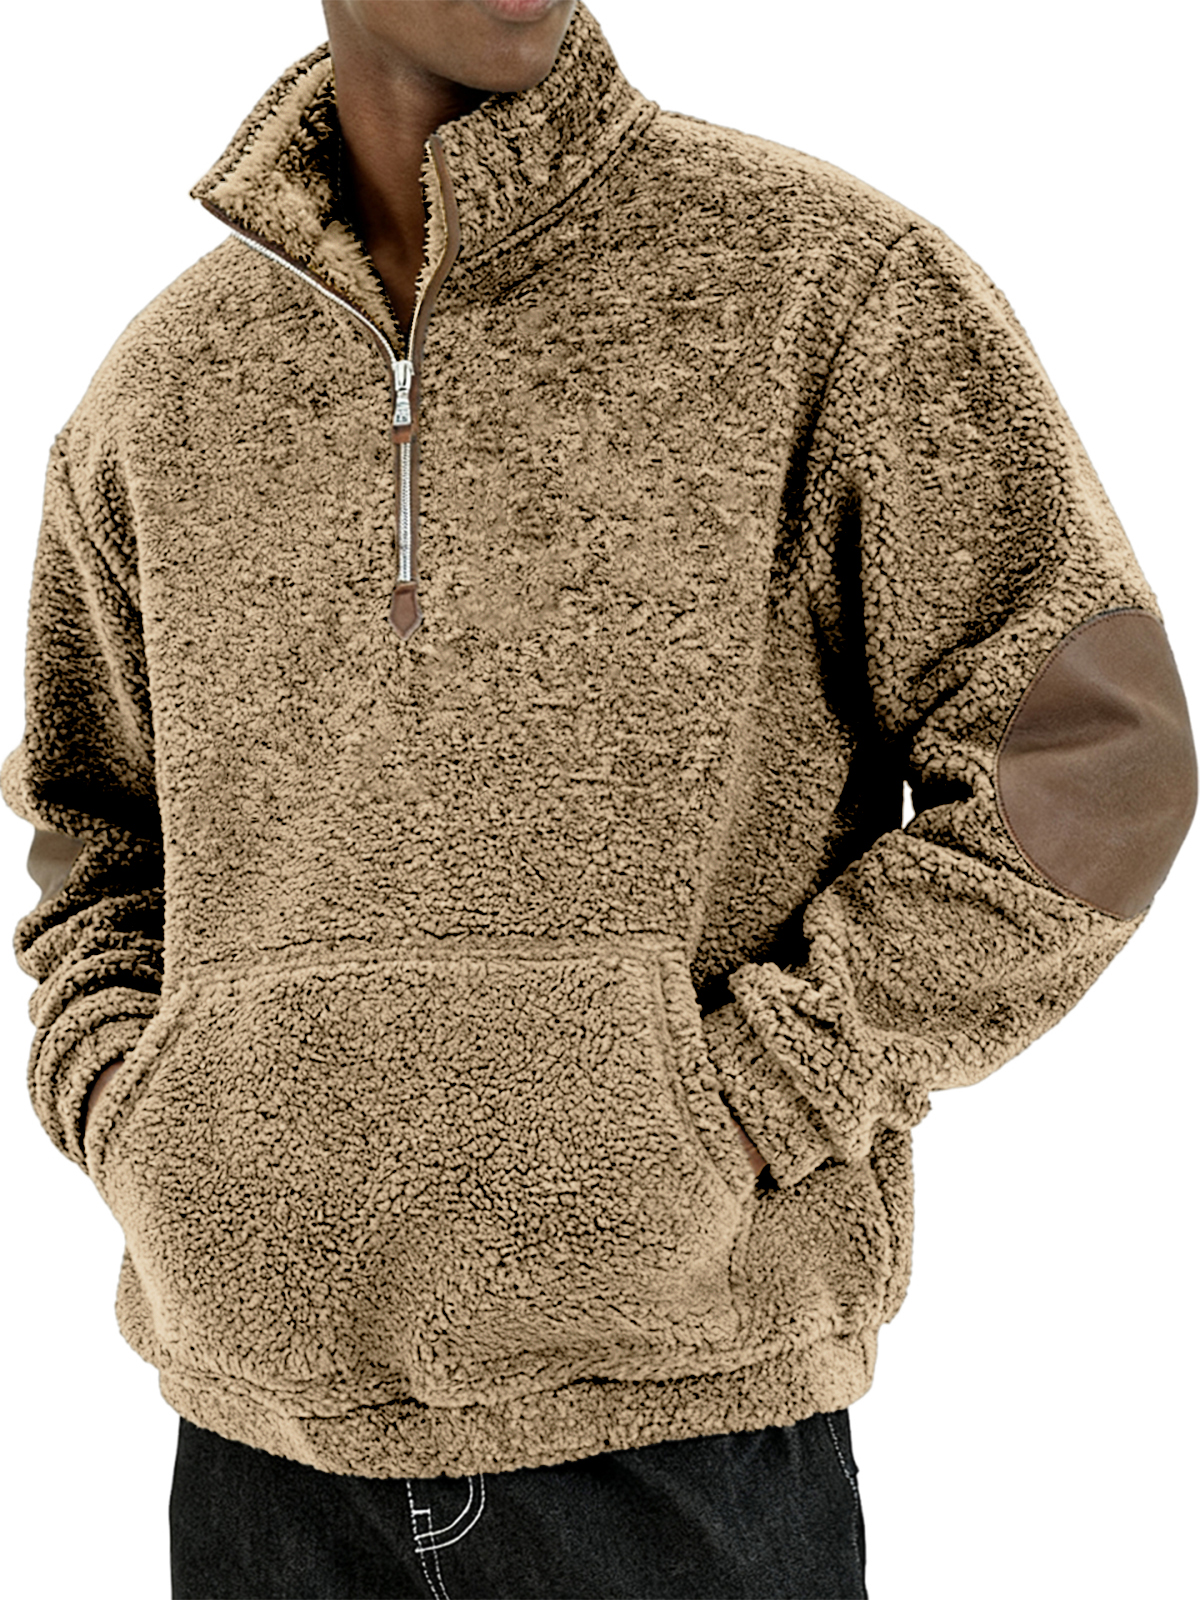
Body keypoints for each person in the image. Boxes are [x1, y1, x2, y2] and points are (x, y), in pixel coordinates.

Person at [3, 0, 1195, 1594]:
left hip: (680, 1438)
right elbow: (96, 839)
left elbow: (1098, 752)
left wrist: (757, 1093)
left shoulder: (825, 287)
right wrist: (145, 1120)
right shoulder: (165, 391)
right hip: (258, 1456)